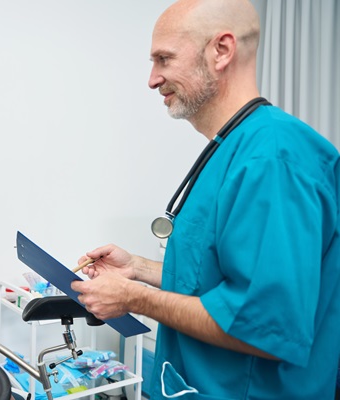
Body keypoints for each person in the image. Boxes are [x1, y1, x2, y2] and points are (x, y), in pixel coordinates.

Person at [71, 1, 340, 399]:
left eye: (164, 58)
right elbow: (221, 278)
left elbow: (262, 325)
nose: (152, 78)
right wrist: (139, 269)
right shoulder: (235, 145)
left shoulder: (274, 159)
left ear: (222, 51)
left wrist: (135, 298)